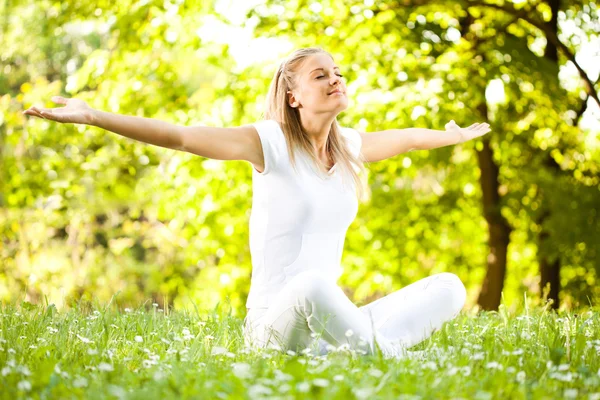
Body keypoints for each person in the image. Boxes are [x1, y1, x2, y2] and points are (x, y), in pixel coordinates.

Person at [23, 47, 491, 358]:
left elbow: (406, 140)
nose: (336, 79)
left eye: (338, 73)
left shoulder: (348, 146)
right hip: (276, 328)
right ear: (293, 96)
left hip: (332, 327)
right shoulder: (268, 142)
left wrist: (448, 137)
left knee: (448, 286)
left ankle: (360, 351)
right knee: (311, 285)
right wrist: (94, 116)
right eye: (320, 75)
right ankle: (377, 356)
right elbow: (182, 136)